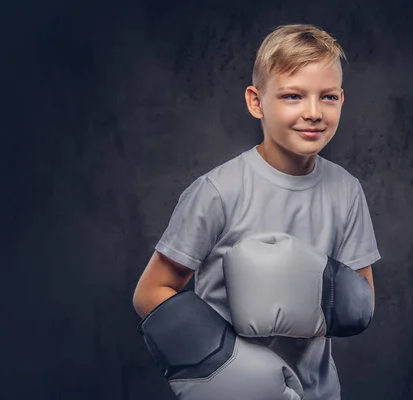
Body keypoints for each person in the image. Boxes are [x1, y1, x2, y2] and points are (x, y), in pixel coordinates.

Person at [133, 23, 381, 400]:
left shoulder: (346, 191)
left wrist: (318, 291)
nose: (313, 112)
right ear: (255, 102)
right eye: (293, 96)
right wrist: (224, 367)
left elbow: (360, 301)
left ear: (342, 101)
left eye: (327, 97)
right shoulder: (218, 192)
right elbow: (151, 291)